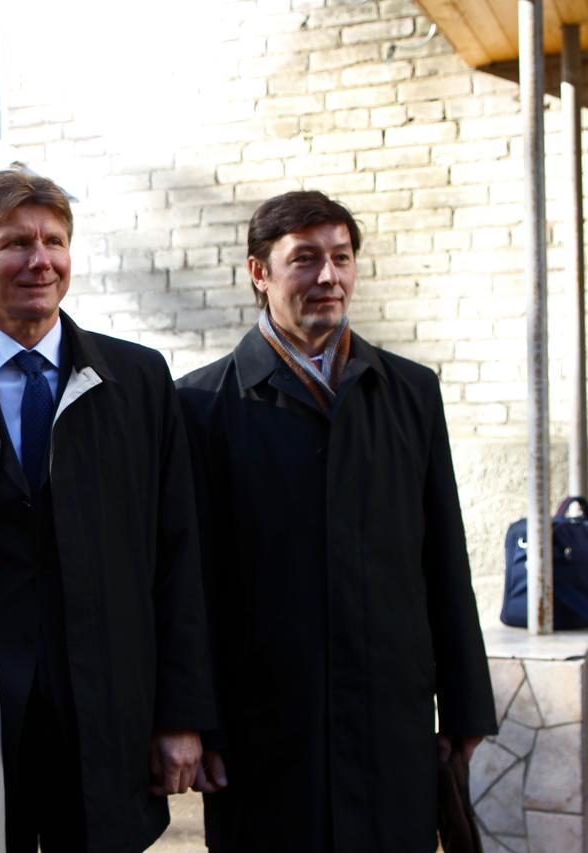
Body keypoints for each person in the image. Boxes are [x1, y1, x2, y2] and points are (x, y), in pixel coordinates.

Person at [0, 168, 218, 853]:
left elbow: (180, 555)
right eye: (15, 242)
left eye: (54, 241)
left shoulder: (139, 381)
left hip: (106, 704)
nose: (40, 260)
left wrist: (183, 714)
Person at [176, 190, 497, 852]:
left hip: (390, 719)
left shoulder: (410, 392)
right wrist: (195, 721)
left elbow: (444, 556)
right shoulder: (201, 405)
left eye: (341, 257)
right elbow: (189, 583)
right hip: (265, 730)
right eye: (305, 259)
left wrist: (466, 700)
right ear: (258, 273)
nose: (329, 277)